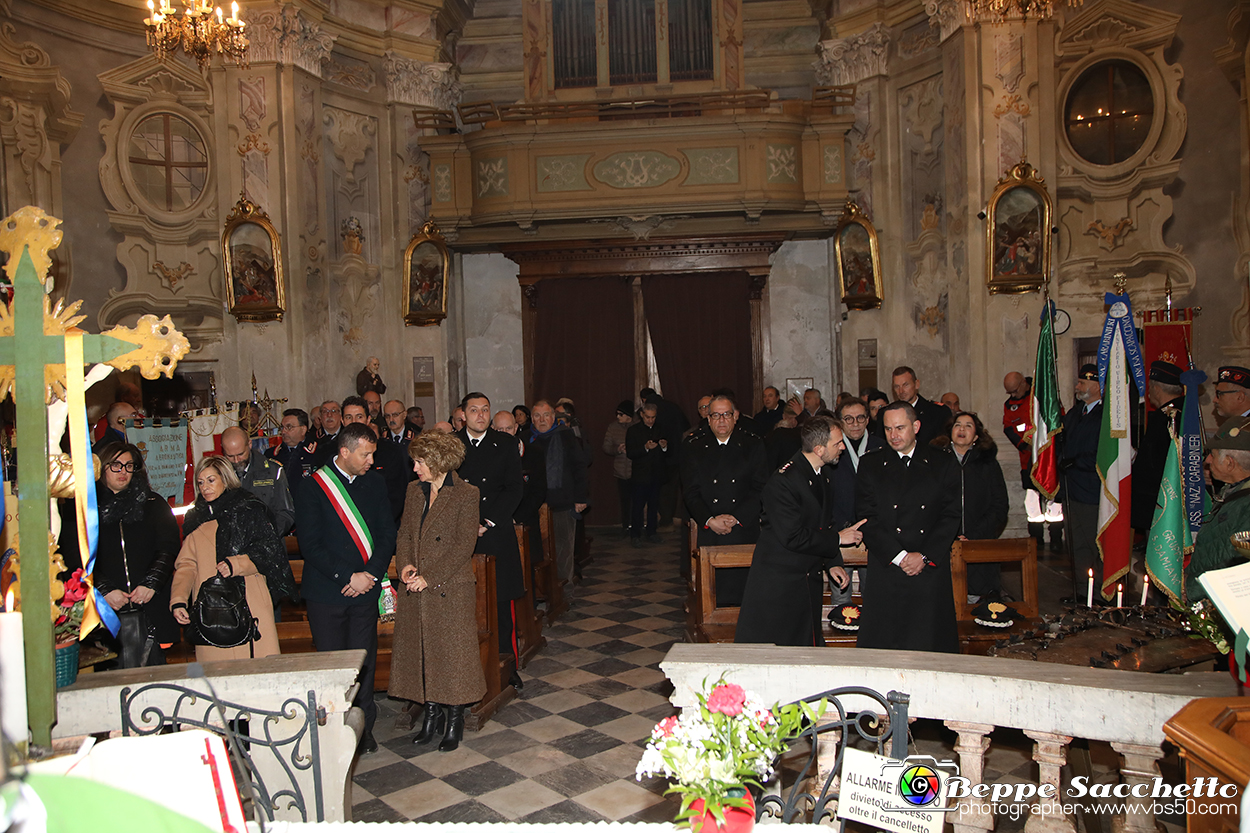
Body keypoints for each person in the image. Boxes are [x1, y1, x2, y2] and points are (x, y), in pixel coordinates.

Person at [295, 422, 397, 754]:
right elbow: (310, 544)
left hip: (366, 588)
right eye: (365, 454)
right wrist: (346, 576)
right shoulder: (313, 487)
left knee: (362, 661)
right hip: (327, 592)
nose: (371, 460)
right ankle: (335, 731)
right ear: (345, 452)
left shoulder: (376, 483)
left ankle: (363, 727)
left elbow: (386, 534)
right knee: (333, 664)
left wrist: (369, 573)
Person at [389, 431, 486, 753]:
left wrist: (430, 577)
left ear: (438, 461)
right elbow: (404, 533)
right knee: (422, 653)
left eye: (420, 462)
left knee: (452, 657)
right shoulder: (413, 491)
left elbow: (463, 545)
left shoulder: (466, 494)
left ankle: (454, 719)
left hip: (449, 588)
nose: (415, 468)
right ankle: (431, 715)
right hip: (415, 586)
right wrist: (404, 567)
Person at [735, 415, 862, 647]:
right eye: (837, 443)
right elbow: (793, 536)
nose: (843, 447)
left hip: (805, 580)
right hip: (781, 586)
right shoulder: (783, 482)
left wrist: (833, 561)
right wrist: (837, 539)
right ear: (819, 449)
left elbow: (825, 522)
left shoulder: (822, 472)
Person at [855, 401, 961, 653]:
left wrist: (923, 555)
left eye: (900, 428)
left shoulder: (942, 462)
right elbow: (866, 515)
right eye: (889, 429)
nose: (894, 435)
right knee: (886, 644)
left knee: (928, 641)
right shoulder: (870, 464)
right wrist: (900, 556)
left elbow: (951, 514)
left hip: (928, 567)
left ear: (916, 426)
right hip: (888, 564)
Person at [62, 443, 180, 667]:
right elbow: (74, 555)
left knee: (154, 678)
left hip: (149, 609)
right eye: (116, 465)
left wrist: (151, 584)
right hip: (104, 612)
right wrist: (103, 590)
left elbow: (168, 547)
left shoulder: (154, 504)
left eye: (128, 466)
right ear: (101, 467)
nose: (123, 472)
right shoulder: (82, 508)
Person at [171, 456, 296, 661]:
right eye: (200, 482)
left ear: (225, 479)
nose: (205, 488)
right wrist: (178, 600)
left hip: (250, 600)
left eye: (211, 480)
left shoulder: (250, 509)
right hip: (211, 608)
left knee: (256, 673)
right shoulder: (195, 518)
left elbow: (269, 550)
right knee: (218, 679)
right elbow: (186, 565)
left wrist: (237, 564)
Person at [455, 392, 525, 682]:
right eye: (474, 410)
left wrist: (487, 521)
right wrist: (466, 523)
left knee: (501, 602)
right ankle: (465, 669)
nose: (481, 415)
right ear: (463, 415)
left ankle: (507, 666)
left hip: (495, 531)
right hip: (460, 534)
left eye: (485, 410)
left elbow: (514, 488)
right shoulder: (451, 445)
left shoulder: (505, 444)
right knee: (463, 605)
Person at [681, 394, 768, 605]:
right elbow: (690, 491)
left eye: (726, 414)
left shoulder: (753, 444)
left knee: (745, 591)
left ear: (735, 416)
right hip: (710, 530)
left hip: (743, 527)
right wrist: (710, 520)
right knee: (713, 593)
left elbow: (762, 488)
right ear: (708, 418)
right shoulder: (694, 446)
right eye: (716, 415)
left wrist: (736, 517)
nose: (722, 420)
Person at [941, 411, 1009, 602]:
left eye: (968, 426)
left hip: (979, 542)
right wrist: (948, 534)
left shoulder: (988, 465)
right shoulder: (937, 463)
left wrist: (973, 534)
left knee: (978, 604)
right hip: (945, 544)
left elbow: (999, 506)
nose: (962, 429)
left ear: (976, 436)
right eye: (957, 425)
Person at [1186, 417, 1250, 603]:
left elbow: (1238, 563)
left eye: (1212, 455)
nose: (1207, 460)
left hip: (1220, 600)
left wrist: (1191, 588)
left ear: (1230, 463)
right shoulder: (1233, 490)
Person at [527, 400, 587, 585]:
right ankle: (543, 591)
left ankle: (565, 592)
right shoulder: (525, 439)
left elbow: (580, 467)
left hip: (562, 502)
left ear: (553, 417)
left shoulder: (567, 437)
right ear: (532, 419)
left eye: (546, 415)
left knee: (563, 551)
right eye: (537, 416)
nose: (542, 419)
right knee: (537, 552)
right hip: (533, 505)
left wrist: (581, 497)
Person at [1060, 365, 1104, 600]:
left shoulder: (1106, 415)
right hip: (1071, 488)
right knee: (1075, 543)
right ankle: (1080, 589)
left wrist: (1075, 462)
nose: (1077, 387)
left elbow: (1103, 452)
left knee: (1092, 542)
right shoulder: (1075, 413)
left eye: (1082, 383)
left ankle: (1097, 592)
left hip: (1091, 490)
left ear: (1096, 386)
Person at [1132, 360, 1185, 532]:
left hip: (1160, 501)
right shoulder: (1184, 413)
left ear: (1156, 389)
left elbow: (1157, 462)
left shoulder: (1168, 417)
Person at [342, 396, 410, 524]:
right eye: (348, 417)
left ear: (368, 420)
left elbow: (397, 495)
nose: (354, 421)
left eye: (359, 416)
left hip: (379, 525)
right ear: (342, 420)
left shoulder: (389, 451)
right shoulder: (329, 453)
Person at [221, 426, 295, 535]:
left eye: (241, 454)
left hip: (267, 542)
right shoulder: (219, 475)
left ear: (250, 445)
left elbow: (287, 513)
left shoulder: (273, 471)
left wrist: (266, 535)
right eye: (230, 456)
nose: (236, 461)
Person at [626, 403, 668, 547]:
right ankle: (635, 534)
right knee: (637, 507)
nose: (651, 420)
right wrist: (645, 448)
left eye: (653, 417)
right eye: (648, 417)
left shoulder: (660, 428)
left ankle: (652, 532)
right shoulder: (633, 431)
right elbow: (631, 453)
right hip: (640, 475)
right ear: (642, 415)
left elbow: (669, 453)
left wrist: (664, 447)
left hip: (656, 474)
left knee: (654, 506)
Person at [890, 366, 949, 448]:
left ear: (916, 384)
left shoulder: (937, 412)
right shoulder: (886, 414)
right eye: (897, 387)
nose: (901, 391)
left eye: (905, 385)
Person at [603, 400, 635, 535]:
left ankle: (637, 526)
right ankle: (625, 525)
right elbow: (606, 447)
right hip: (621, 471)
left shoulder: (637, 426)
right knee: (625, 501)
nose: (618, 417)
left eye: (621, 414)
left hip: (637, 470)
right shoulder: (612, 427)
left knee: (637, 501)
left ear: (628, 415)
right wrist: (618, 449)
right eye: (617, 414)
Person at [267, 408, 317, 492]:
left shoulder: (318, 453)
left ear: (303, 430)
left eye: (289, 427)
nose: (283, 432)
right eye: (282, 427)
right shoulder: (271, 454)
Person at [310, 400, 343, 467]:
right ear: (320, 418)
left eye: (334, 411)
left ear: (341, 416)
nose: (329, 415)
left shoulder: (347, 436)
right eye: (325, 412)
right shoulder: (312, 439)